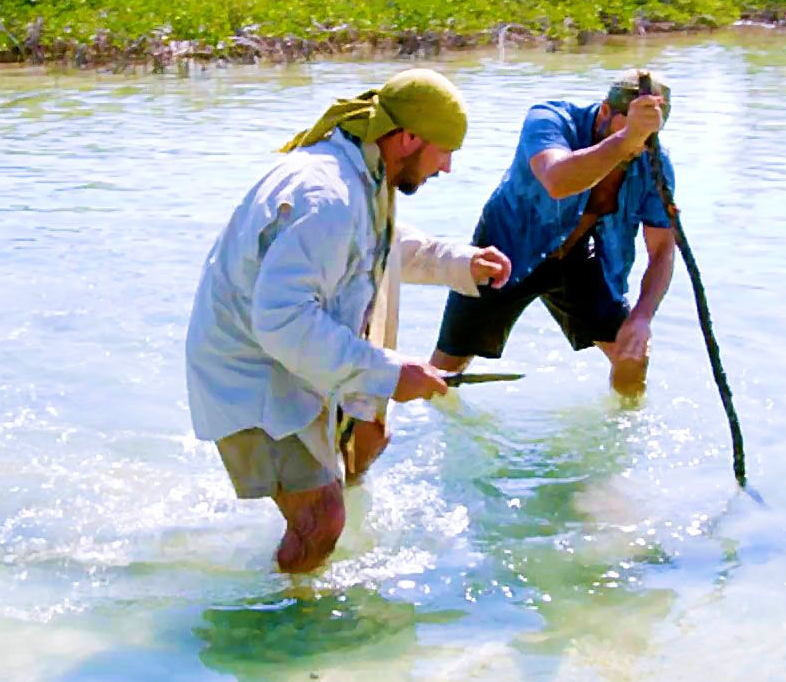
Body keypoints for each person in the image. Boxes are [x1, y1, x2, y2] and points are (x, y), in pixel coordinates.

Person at [186, 68, 512, 574]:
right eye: (445, 150)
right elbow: (283, 323)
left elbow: (377, 247)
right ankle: (287, 631)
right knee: (322, 517)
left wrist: (457, 262)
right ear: (408, 138)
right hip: (252, 371)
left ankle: (303, 575)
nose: (446, 167)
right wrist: (391, 373)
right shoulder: (329, 197)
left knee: (369, 438)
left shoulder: (362, 171)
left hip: (288, 356)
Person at [430, 69, 675, 397]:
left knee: (632, 355)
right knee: (443, 371)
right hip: (507, 247)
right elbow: (557, 180)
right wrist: (625, 139)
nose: (635, 149)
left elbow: (662, 251)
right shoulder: (549, 119)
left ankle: (623, 432)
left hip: (582, 258)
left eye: (645, 140)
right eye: (630, 134)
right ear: (604, 112)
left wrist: (642, 317)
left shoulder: (652, 162)